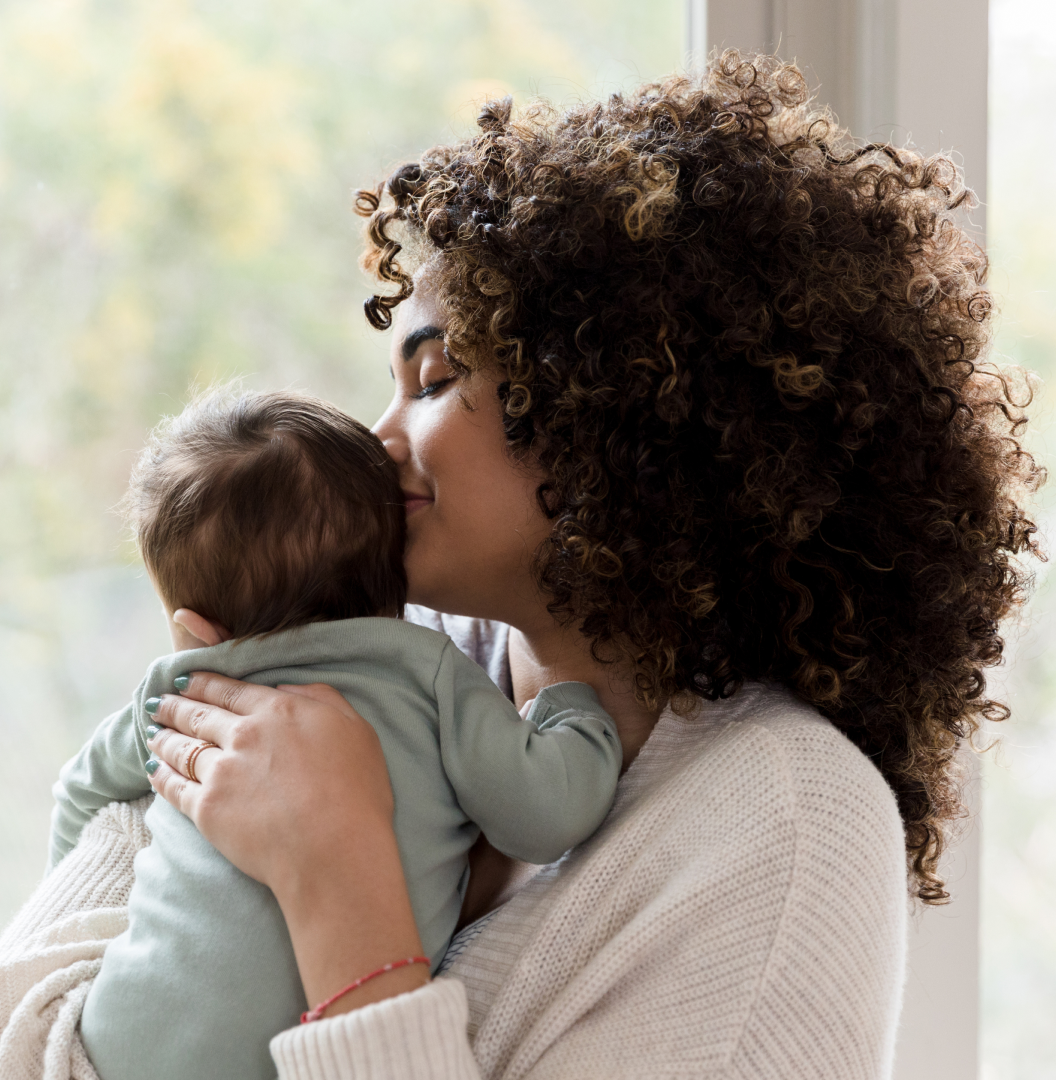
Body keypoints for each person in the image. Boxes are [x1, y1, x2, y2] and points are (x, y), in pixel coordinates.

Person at [0, 51, 1042, 1080]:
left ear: (623, 416)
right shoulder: (379, 646)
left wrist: (342, 889)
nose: (378, 438)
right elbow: (25, 1028)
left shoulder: (782, 830)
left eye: (436, 379)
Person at [51, 389, 620, 1080]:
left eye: (431, 380)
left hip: (117, 1040)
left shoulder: (178, 692)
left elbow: (80, 792)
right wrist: (575, 707)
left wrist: (83, 929)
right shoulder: (429, 674)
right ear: (397, 575)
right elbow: (548, 817)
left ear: (198, 628)